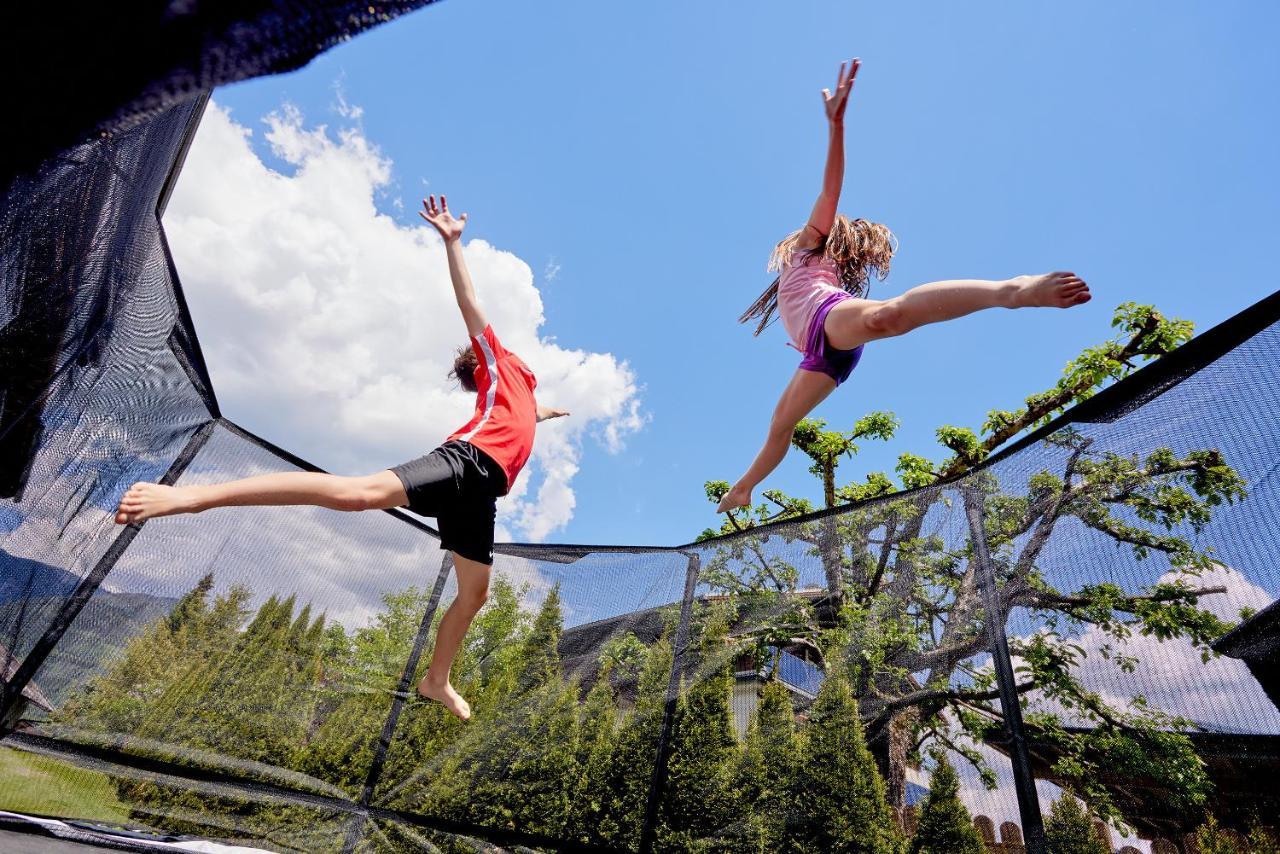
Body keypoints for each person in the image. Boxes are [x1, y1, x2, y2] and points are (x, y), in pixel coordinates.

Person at [115, 195, 569, 720]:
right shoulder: (500, 362)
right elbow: (470, 303)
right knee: (359, 494)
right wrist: (452, 244)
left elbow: (528, 415)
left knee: (475, 595)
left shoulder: (522, 397)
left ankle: (435, 680)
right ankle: (191, 497)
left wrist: (548, 412)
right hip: (466, 460)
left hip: (483, 490)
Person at [717, 59, 1090, 514]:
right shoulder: (797, 264)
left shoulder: (810, 247)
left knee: (886, 316)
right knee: (780, 425)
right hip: (821, 354)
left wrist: (836, 128)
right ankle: (745, 485)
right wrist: (746, 486)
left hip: (830, 317)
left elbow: (829, 193)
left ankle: (1012, 291)